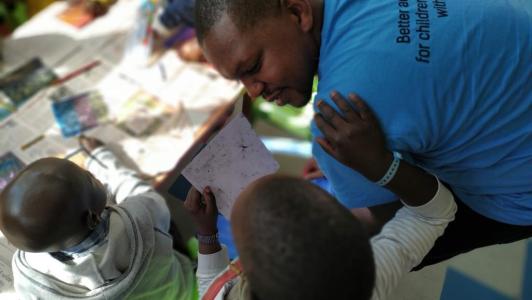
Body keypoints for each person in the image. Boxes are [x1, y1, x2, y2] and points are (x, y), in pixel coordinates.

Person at [194, 0, 532, 267]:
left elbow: (402, 223)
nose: (252, 92)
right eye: (240, 81)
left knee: (350, 251)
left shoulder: (339, 114)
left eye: (253, 67)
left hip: (521, 190)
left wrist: (303, 210)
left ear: (298, 12)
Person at [184, 95, 457, 300]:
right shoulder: (367, 279)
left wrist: (207, 235)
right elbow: (434, 213)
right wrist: (380, 165)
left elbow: (215, 290)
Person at [0, 137, 196, 299]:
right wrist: (100, 155)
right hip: (183, 291)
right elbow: (139, 191)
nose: (93, 175)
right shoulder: (140, 216)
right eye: (89, 177)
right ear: (92, 218)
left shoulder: (29, 273)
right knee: (166, 223)